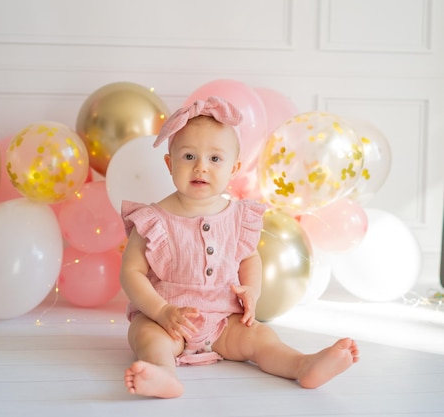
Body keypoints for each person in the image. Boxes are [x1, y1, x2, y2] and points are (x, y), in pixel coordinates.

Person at [119, 96, 359, 399]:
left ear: (234, 168)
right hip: (168, 320)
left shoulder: (238, 216)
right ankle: (163, 374)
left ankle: (302, 364)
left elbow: (249, 257)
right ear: (170, 163)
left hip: (224, 320)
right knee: (145, 337)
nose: (201, 168)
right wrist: (161, 311)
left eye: (215, 159)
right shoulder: (153, 219)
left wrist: (251, 290)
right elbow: (131, 273)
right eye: (189, 157)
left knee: (260, 337)